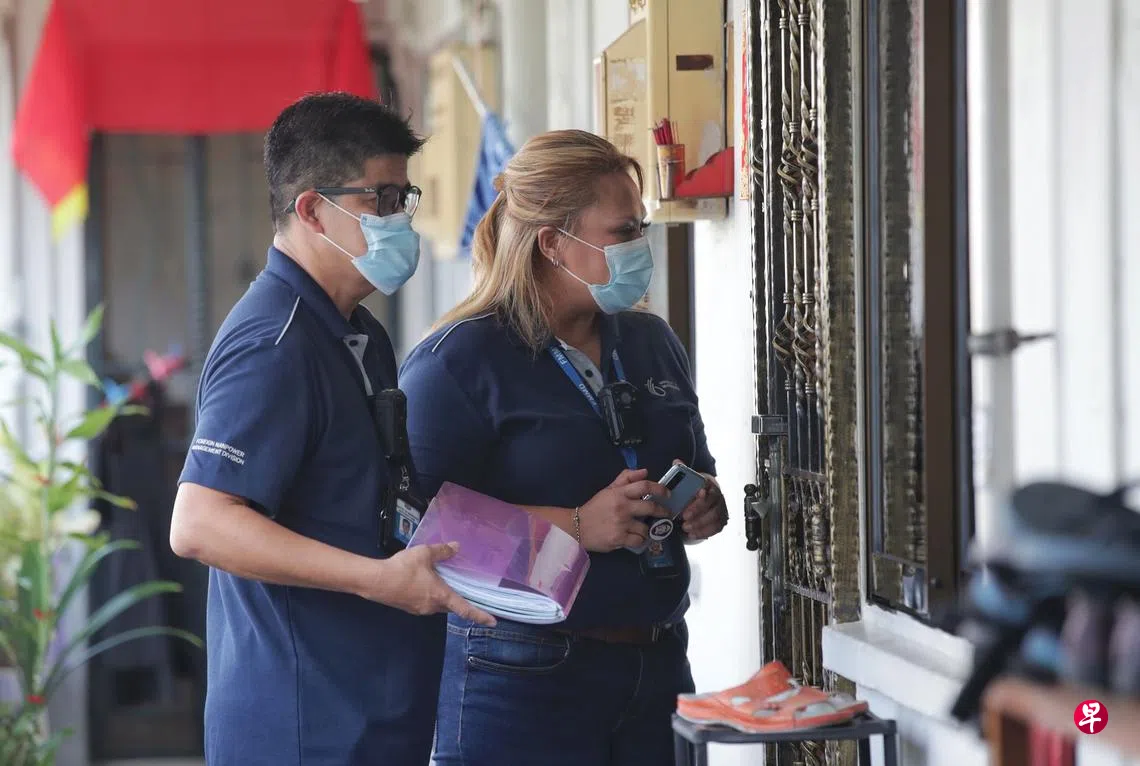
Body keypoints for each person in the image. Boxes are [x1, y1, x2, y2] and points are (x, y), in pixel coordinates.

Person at [169, 92, 494, 766]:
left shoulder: (357, 332)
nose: (400, 220)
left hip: (371, 711)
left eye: (406, 198)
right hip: (303, 726)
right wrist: (378, 579)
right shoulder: (274, 342)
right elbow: (200, 523)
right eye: (383, 200)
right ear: (313, 210)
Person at [399, 129, 730, 766]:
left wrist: (702, 503)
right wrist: (576, 526)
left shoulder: (650, 341)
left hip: (658, 664)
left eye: (641, 228)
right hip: (520, 675)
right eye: (623, 232)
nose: (640, 246)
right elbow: (419, 532)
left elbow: (697, 467)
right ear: (553, 243)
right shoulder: (457, 362)